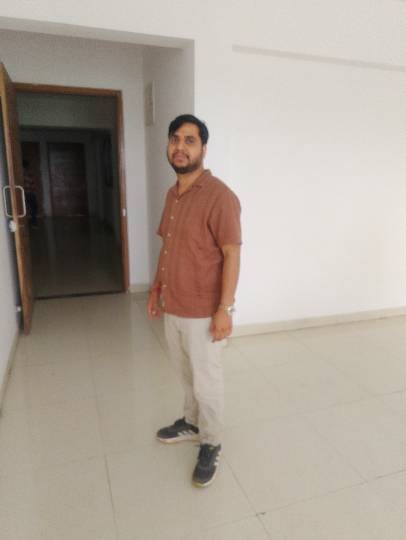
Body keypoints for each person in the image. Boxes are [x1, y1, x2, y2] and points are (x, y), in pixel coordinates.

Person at [147, 114, 241, 488]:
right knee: (186, 374)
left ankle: (211, 441)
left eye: (189, 140)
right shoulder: (172, 194)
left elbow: (232, 254)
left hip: (204, 311)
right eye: (175, 139)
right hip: (173, 304)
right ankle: (191, 422)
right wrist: (156, 288)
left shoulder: (220, 196)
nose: (180, 147)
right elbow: (168, 246)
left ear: (203, 148)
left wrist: (224, 309)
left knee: (207, 381)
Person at [23, 159, 38, 227]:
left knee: (32, 208)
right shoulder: (27, 173)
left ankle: (32, 222)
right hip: (29, 193)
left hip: (27, 193)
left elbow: (32, 183)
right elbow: (31, 183)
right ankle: (33, 223)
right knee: (33, 208)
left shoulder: (24, 173)